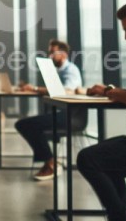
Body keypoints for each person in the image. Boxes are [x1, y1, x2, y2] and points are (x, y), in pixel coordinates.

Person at [77, 0, 126, 221]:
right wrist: (112, 90)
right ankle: (124, 215)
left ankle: (121, 218)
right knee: (104, 159)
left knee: (88, 159)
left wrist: (112, 92)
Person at [15, 39, 82, 181]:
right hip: (59, 113)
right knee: (25, 124)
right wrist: (32, 88)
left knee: (26, 125)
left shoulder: (71, 70)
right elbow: (54, 91)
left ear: (63, 54)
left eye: (52, 53)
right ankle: (50, 162)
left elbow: (67, 91)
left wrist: (35, 88)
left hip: (70, 116)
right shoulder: (57, 71)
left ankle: (51, 163)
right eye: (49, 52)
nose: (50, 56)